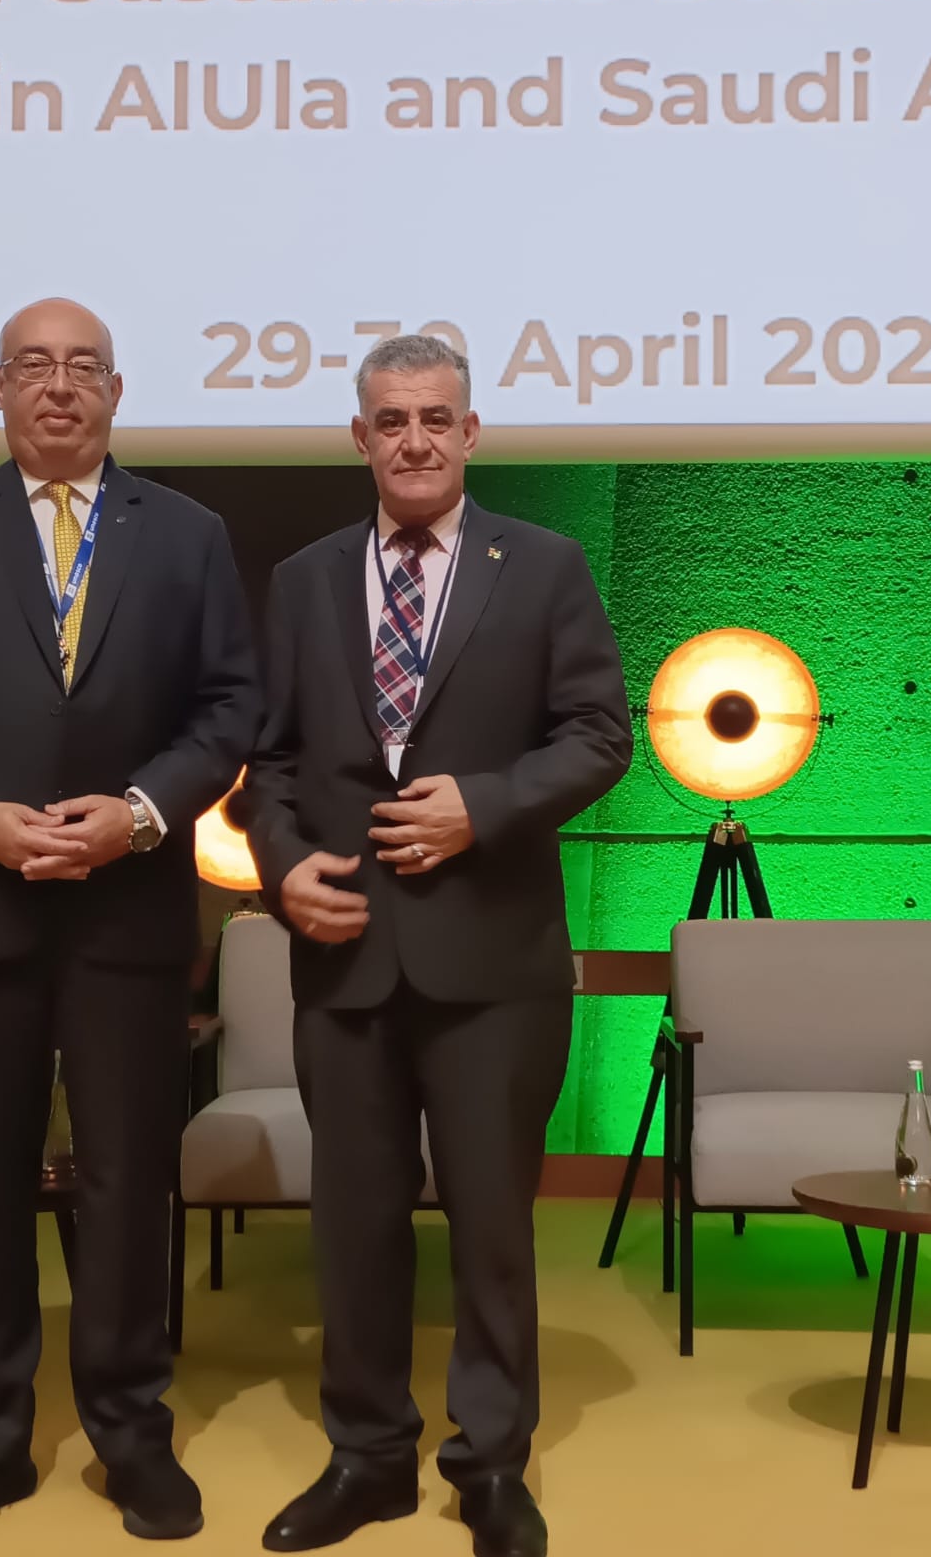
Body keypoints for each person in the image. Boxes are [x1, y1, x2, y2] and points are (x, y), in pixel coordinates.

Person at [0, 298, 259, 1544]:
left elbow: (229, 706)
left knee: (130, 1177)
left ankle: (132, 1432)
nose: (59, 385)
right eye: (34, 365)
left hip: (128, 906)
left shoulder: (186, 532)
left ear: (116, 391)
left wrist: (137, 815)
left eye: (84, 366)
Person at [241, 335, 632, 1557]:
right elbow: (271, 763)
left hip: (495, 962)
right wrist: (279, 866)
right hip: (344, 952)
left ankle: (490, 1464)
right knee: (352, 1226)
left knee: (491, 1225)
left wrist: (485, 804)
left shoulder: (546, 565)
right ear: (358, 437)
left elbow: (598, 735)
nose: (412, 438)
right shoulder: (302, 578)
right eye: (390, 419)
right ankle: (366, 1458)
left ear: (469, 433)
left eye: (434, 418)